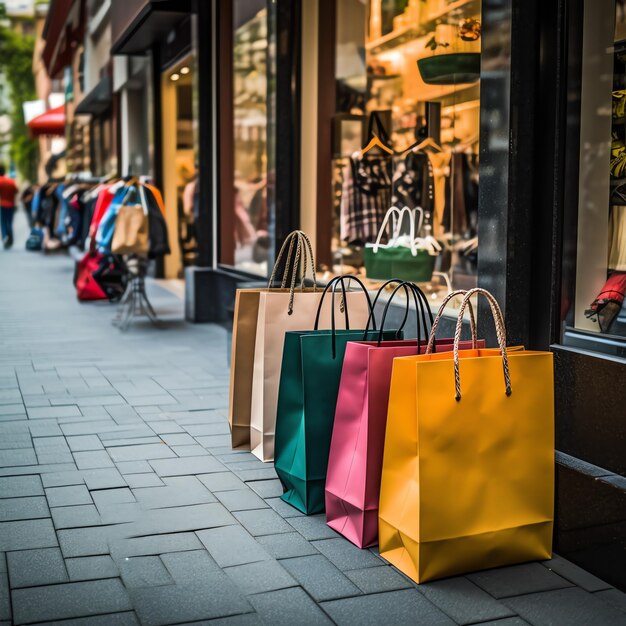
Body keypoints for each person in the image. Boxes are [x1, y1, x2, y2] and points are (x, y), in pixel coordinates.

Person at [0, 164, 18, 249]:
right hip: (11, 204)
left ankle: (5, 237)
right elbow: (16, 191)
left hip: (2, 204)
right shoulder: (11, 181)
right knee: (9, 222)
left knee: (3, 222)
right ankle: (10, 237)